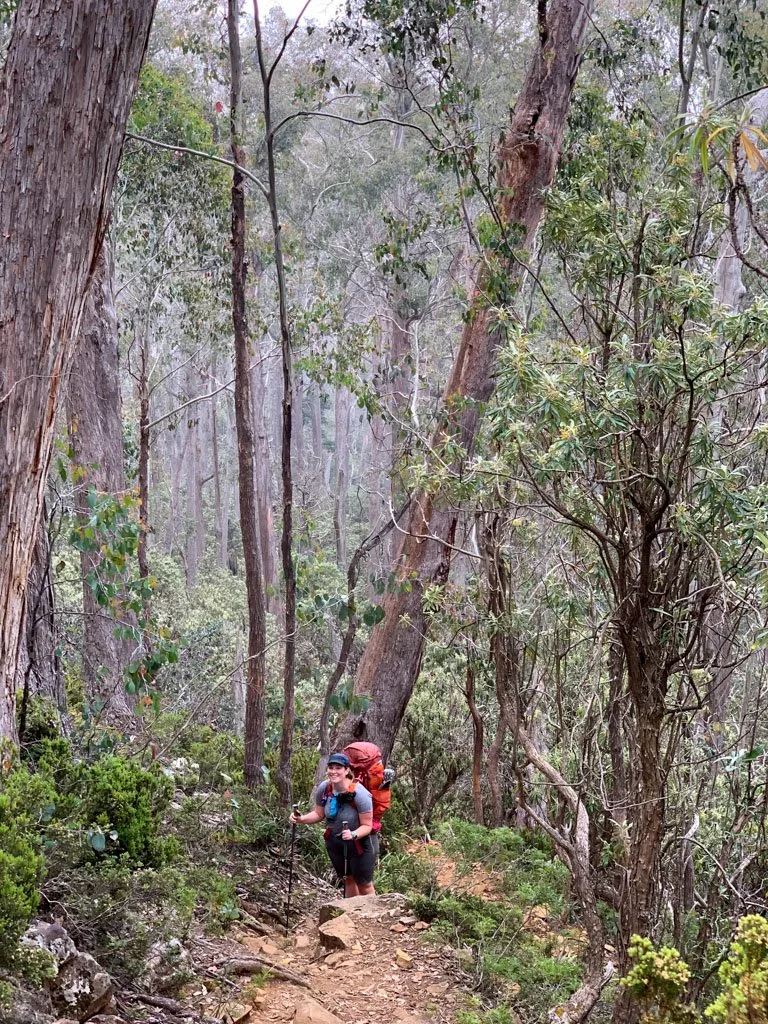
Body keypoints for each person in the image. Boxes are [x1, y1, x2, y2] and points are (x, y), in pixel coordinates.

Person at [290, 752, 376, 897]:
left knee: (364, 883)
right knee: (348, 879)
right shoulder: (325, 788)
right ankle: (351, 915)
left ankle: (371, 918)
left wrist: (353, 834)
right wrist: (301, 819)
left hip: (361, 844)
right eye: (331, 767)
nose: (333, 771)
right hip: (336, 842)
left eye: (338, 768)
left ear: (347, 770)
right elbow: (318, 814)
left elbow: (367, 826)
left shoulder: (361, 794)